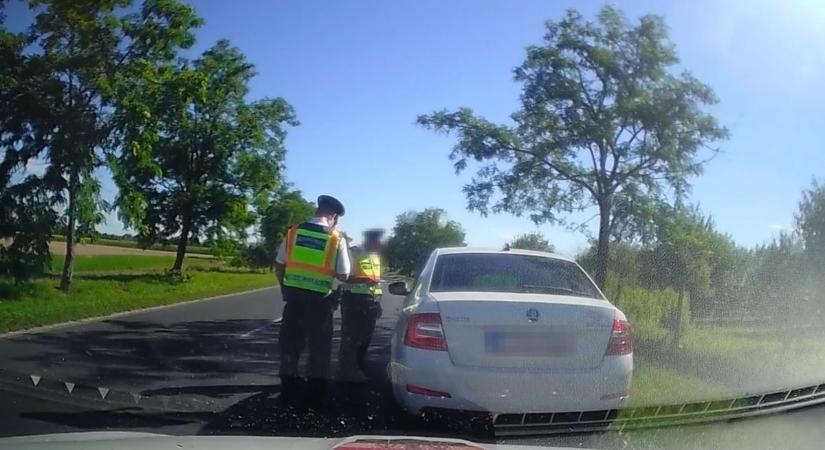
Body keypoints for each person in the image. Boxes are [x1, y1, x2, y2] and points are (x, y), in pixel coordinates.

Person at [274, 195, 350, 406]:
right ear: (333, 216)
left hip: (294, 300)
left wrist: (285, 287)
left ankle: (288, 392)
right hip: (320, 303)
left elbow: (280, 265)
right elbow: (344, 274)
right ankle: (314, 397)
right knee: (319, 350)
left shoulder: (294, 232)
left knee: (290, 347)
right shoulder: (336, 239)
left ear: (318, 210)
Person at [339, 228, 384, 381]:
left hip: (370, 302)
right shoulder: (354, 252)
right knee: (350, 338)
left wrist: (378, 303)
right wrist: (363, 281)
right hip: (353, 300)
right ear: (369, 241)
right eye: (376, 242)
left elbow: (376, 283)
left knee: (366, 338)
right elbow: (343, 277)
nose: (379, 245)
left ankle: (358, 368)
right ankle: (347, 371)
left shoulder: (375, 257)